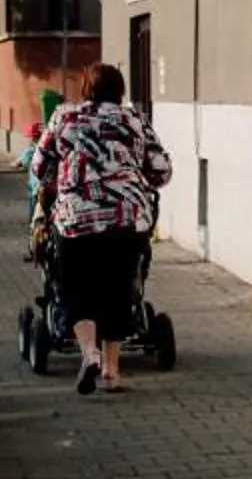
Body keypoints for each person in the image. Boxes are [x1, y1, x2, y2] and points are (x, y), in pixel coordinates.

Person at [39, 64, 170, 396]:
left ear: (86, 88)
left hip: (75, 220)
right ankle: (112, 373)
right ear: (120, 89)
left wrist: (62, 177)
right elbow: (161, 171)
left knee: (76, 289)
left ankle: (89, 353)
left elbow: (40, 166)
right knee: (119, 291)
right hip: (125, 221)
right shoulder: (133, 120)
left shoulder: (63, 117)